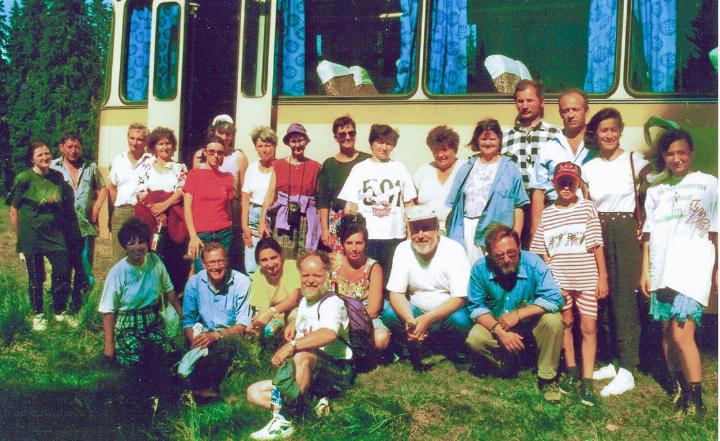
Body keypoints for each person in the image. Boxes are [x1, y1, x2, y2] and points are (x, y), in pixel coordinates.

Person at [639, 129, 717, 416]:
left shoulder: (708, 184)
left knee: (682, 332)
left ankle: (696, 400)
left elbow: (716, 229)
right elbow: (648, 234)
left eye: (682, 152)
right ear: (664, 157)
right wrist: (645, 271)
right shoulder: (657, 191)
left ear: (691, 152)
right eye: (670, 153)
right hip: (662, 268)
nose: (677, 158)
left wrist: (719, 269)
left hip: (692, 269)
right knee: (668, 333)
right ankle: (678, 385)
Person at [246, 251, 353, 440]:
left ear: (327, 276)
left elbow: (329, 333)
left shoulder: (332, 302)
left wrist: (292, 345)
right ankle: (309, 407)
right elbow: (304, 318)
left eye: (316, 275)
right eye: (306, 275)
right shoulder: (305, 301)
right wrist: (293, 322)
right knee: (253, 392)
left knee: (302, 355)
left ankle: (286, 420)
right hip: (311, 373)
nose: (310, 280)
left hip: (337, 371)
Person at [582, 108, 652, 397]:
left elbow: (656, 188)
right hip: (597, 228)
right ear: (596, 134)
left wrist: (643, 224)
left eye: (613, 129)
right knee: (604, 298)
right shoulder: (589, 167)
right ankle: (613, 360)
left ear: (620, 131)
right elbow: (586, 202)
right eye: (603, 130)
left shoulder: (635, 160)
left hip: (624, 230)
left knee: (624, 298)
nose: (608, 135)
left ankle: (628, 369)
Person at [529, 162, 608, 406]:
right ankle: (572, 370)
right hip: (560, 279)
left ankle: (587, 380)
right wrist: (551, 279)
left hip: (586, 278)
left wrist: (602, 277)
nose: (566, 185)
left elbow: (596, 244)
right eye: (561, 181)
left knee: (587, 327)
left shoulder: (587, 208)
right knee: (566, 323)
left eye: (571, 181)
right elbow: (541, 250)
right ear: (553, 184)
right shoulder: (549, 213)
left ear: (578, 183)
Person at [466, 224, 564, 403]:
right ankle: (508, 364)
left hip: (530, 327)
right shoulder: (479, 269)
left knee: (553, 320)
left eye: (511, 253)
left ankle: (547, 378)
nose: (506, 260)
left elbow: (555, 298)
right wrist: (498, 330)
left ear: (519, 247)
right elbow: (475, 307)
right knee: (475, 338)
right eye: (499, 255)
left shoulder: (534, 262)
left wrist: (519, 314)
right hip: (499, 327)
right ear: (489, 255)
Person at [380, 206, 472, 369]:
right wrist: (411, 320)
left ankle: (450, 348)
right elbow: (396, 293)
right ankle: (417, 341)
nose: (421, 235)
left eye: (426, 228)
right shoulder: (403, 249)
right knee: (388, 311)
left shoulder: (454, 249)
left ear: (437, 229)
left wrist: (427, 319)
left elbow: (459, 298)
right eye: (416, 229)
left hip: (447, 315)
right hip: (416, 313)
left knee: (461, 319)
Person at [98, 218, 182, 391]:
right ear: (125, 246)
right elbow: (108, 311)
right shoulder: (117, 272)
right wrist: (109, 346)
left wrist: (184, 318)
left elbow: (170, 292)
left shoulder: (155, 262)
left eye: (141, 242)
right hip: (127, 323)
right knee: (136, 363)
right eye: (131, 243)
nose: (137, 247)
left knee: (167, 356)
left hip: (152, 320)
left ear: (148, 243)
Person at [10, 141, 78, 330]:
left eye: (47, 154)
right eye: (40, 155)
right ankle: (38, 315)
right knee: (36, 277)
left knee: (63, 271)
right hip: (31, 236)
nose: (45, 158)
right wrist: (20, 242)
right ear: (32, 158)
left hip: (55, 236)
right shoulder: (24, 179)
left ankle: (59, 312)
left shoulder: (57, 177)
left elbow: (66, 206)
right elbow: (13, 211)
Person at [337, 124, 416, 286]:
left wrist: (410, 236)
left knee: (391, 281)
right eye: (380, 142)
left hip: (395, 237)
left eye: (389, 143)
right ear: (372, 143)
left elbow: (409, 206)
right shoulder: (359, 169)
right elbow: (350, 207)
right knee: (366, 280)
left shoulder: (400, 168)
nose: (385, 147)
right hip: (368, 238)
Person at [446, 118, 528, 263]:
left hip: (499, 230)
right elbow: (453, 205)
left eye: (492, 139)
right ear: (477, 141)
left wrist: (515, 237)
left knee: (498, 272)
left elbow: (519, 206)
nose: (488, 143)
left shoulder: (511, 168)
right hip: (469, 228)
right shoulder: (466, 167)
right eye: (484, 139)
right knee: (472, 270)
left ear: (499, 140)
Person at [182, 242, 252, 401]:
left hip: (229, 335)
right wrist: (196, 341)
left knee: (223, 350)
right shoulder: (193, 284)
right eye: (211, 262)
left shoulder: (242, 282)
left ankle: (210, 390)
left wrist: (216, 336)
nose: (216, 267)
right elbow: (188, 321)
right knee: (190, 358)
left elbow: (242, 324)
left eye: (220, 261)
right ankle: (198, 388)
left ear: (227, 261)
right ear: (204, 264)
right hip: (203, 333)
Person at [50, 132, 107, 309]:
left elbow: (103, 188)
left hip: (84, 226)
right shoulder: (53, 167)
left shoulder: (90, 166)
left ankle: (83, 305)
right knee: (62, 267)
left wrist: (97, 206)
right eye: (69, 147)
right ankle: (60, 305)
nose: (73, 151)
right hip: (61, 228)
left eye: (77, 147)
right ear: (61, 147)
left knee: (83, 266)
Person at [501, 80, 561, 248]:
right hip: (513, 209)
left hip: (546, 206)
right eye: (520, 101)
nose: (525, 105)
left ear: (541, 102)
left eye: (530, 100)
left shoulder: (555, 135)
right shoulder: (504, 137)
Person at [529, 89, 595, 241]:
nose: (570, 115)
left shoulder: (598, 145)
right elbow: (538, 191)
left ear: (586, 110)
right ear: (560, 114)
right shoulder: (549, 147)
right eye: (566, 111)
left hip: (589, 214)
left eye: (576, 109)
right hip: (555, 213)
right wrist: (536, 229)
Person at [135, 127, 189, 291]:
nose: (165, 147)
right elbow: (141, 191)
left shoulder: (180, 168)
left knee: (172, 258)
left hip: (173, 218)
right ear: (154, 147)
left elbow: (181, 190)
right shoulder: (146, 167)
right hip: (149, 218)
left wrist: (164, 206)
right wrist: (156, 212)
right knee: (151, 255)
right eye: (161, 144)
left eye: (168, 143)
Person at [193, 116, 249, 271]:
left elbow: (244, 189)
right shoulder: (199, 156)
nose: (225, 137)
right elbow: (195, 192)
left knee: (227, 257)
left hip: (231, 208)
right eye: (221, 133)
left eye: (229, 133)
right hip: (206, 214)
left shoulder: (239, 156)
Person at [259, 123, 321, 260]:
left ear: (306, 142)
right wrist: (262, 222)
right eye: (293, 141)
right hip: (283, 217)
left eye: (301, 140)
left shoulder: (315, 166)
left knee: (305, 257)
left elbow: (319, 199)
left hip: (306, 217)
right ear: (288, 143)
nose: (297, 144)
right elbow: (270, 195)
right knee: (284, 255)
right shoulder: (278, 165)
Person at [331, 214, 388, 351]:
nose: (354, 248)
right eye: (349, 243)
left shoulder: (373, 267)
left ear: (366, 243)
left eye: (359, 243)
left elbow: (373, 310)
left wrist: (352, 323)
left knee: (381, 338)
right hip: (335, 314)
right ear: (342, 244)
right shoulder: (333, 261)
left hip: (365, 318)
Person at [316, 115, 371, 251]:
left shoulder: (368, 160)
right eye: (342, 134)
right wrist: (324, 229)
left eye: (351, 133)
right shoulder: (329, 165)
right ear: (336, 137)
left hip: (364, 218)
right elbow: (323, 201)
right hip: (337, 220)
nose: (347, 137)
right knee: (338, 263)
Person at [184, 135, 235, 272]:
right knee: (204, 273)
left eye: (220, 152)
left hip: (224, 234)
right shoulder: (193, 175)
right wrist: (193, 236)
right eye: (212, 152)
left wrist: (230, 226)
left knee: (221, 272)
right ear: (205, 152)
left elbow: (228, 207)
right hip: (201, 235)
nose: (216, 156)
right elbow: (187, 208)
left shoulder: (228, 178)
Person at [107, 123, 153, 262]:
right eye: (132, 138)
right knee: (120, 256)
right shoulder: (118, 159)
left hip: (143, 211)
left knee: (142, 256)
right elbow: (113, 188)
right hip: (121, 211)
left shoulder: (152, 160)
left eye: (139, 139)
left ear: (145, 141)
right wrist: (112, 213)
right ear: (127, 138)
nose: (135, 143)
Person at [413, 125, 464, 233]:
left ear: (454, 149)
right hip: (426, 231)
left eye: (445, 150)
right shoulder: (424, 170)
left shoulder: (464, 168)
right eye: (436, 150)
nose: (440, 155)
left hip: (458, 230)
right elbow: (411, 202)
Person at [249, 237, 303, 339]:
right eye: (264, 260)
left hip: (297, 310)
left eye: (274, 257)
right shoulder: (258, 275)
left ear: (281, 255)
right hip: (277, 313)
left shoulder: (291, 266)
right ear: (258, 262)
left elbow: (294, 300)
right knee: (268, 330)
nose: (270, 264)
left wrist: (271, 312)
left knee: (293, 317)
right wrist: (257, 322)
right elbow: (262, 308)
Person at [241, 127, 277, 274]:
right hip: (254, 216)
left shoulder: (279, 167)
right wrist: (245, 227)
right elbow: (245, 199)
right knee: (252, 265)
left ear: (274, 146)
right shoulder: (252, 168)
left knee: (272, 261)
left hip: (273, 216)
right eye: (260, 146)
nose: (264, 150)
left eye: (268, 145)